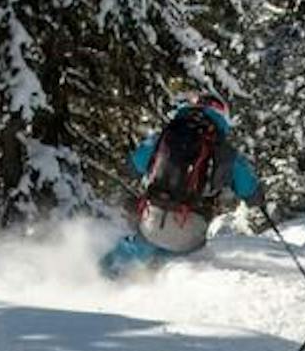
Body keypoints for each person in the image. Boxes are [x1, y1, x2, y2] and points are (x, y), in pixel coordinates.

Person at [99, 92, 262, 278]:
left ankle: (94, 280)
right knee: (170, 261)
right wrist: (256, 196)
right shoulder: (227, 153)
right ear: (222, 116)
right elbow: (251, 192)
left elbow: (133, 165)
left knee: (133, 249)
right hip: (190, 233)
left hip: (152, 221)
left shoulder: (164, 137)